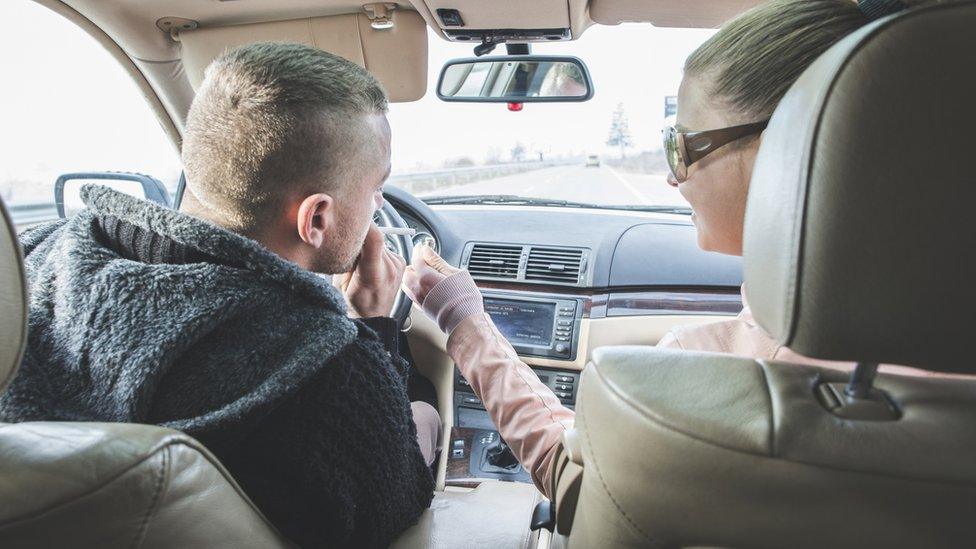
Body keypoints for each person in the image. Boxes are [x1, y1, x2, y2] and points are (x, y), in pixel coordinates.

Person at [403, 0, 943, 502]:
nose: (669, 177)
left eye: (681, 145)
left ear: (792, 147)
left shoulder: (708, 371)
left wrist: (464, 320)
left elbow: (574, 482)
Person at [1, 42, 439, 548]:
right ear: (316, 218)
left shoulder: (33, 258)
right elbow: (393, 500)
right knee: (423, 419)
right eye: (376, 186)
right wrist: (374, 327)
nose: (379, 204)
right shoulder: (330, 369)